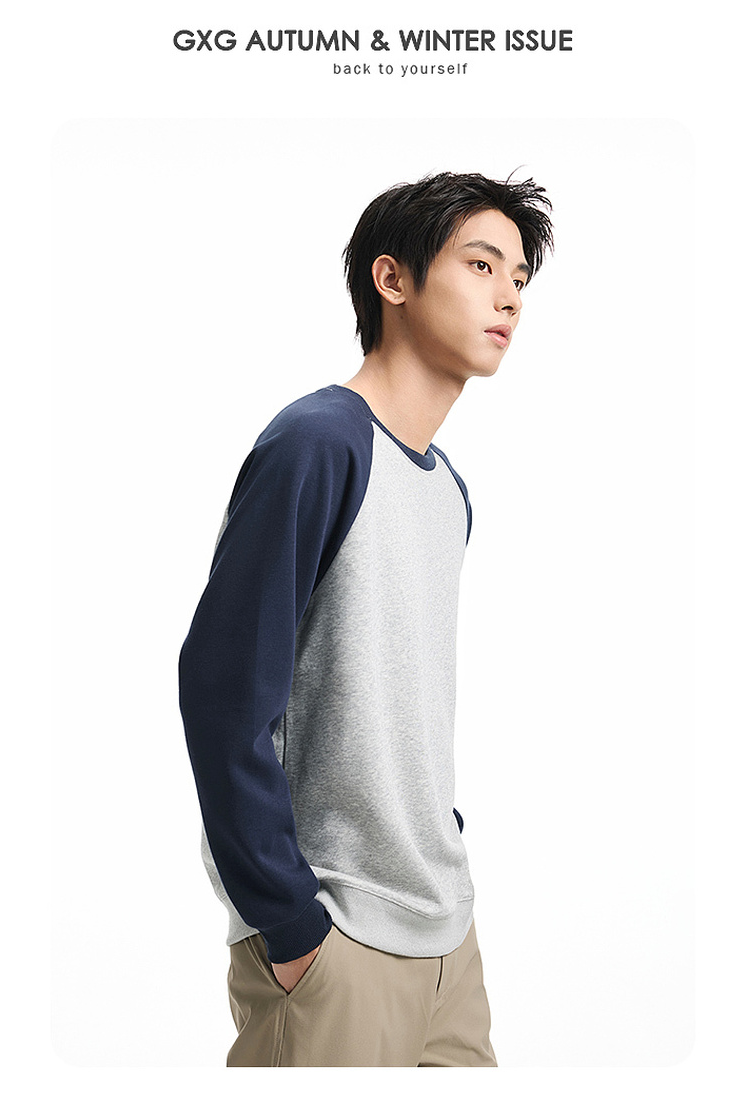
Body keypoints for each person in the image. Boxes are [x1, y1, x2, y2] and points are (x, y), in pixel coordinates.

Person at [178, 170, 554, 1066]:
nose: (509, 296)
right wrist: (290, 923)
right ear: (393, 279)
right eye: (481, 265)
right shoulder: (319, 443)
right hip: (335, 936)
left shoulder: (448, 489)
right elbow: (222, 695)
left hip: (448, 940)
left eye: (519, 277)